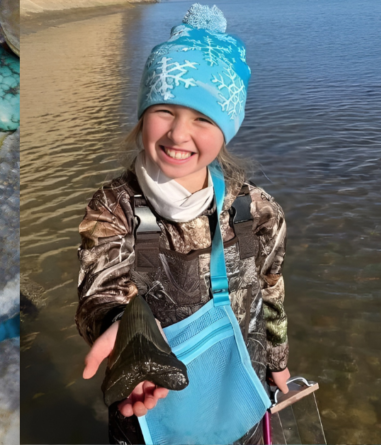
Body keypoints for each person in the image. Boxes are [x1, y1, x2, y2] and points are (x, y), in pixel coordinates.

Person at [74, 4, 290, 444]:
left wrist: (280, 360)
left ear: (227, 129)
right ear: (142, 114)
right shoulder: (114, 206)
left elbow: (271, 286)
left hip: (238, 393)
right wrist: (128, 336)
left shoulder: (256, 209)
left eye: (203, 119)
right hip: (146, 396)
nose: (178, 134)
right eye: (165, 110)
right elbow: (100, 292)